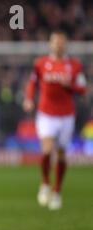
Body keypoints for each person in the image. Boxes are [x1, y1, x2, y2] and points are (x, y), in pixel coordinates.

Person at [23, 30, 87, 210]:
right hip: (46, 114)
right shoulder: (41, 63)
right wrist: (28, 99)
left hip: (66, 115)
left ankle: (57, 191)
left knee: (60, 154)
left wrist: (71, 86)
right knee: (46, 150)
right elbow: (32, 83)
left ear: (65, 44)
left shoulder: (74, 65)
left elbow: (82, 89)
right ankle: (45, 183)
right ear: (51, 44)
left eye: (61, 42)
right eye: (55, 42)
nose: (58, 45)